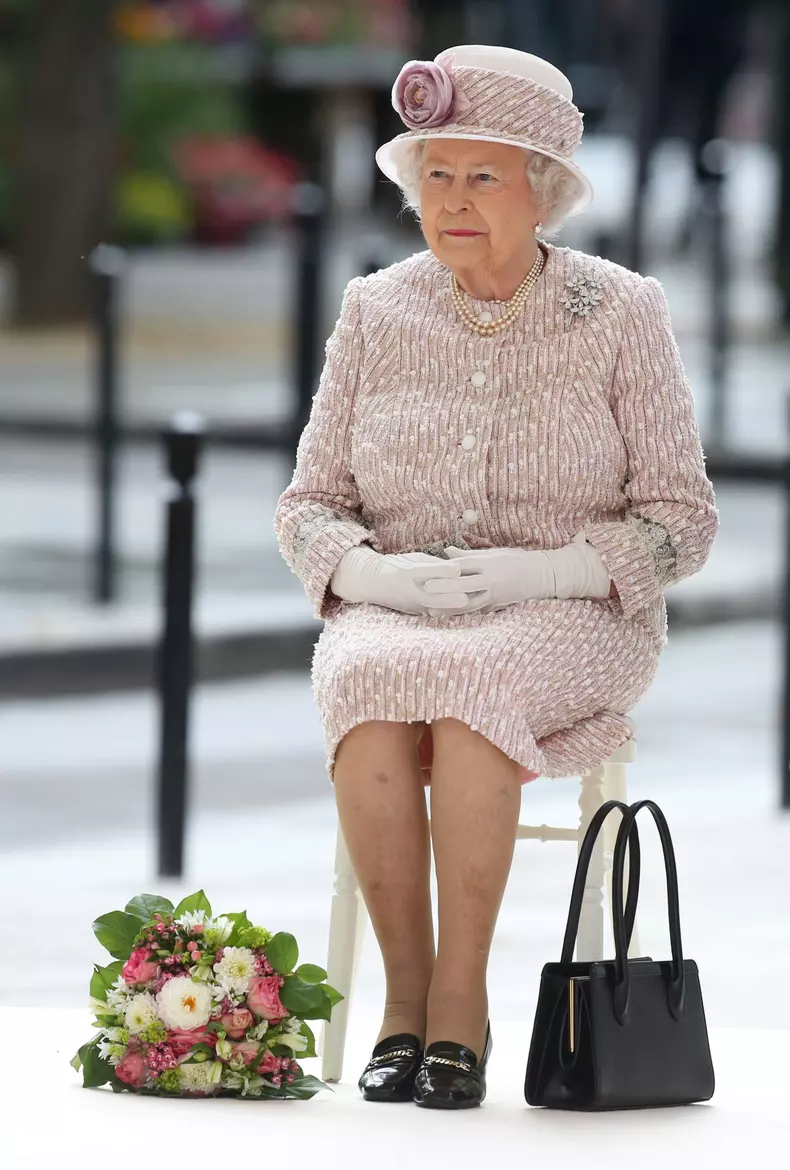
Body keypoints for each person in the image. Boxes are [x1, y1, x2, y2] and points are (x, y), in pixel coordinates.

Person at [273, 44, 718, 1110]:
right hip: (401, 606)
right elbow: (308, 505)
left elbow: (682, 521)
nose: (453, 200)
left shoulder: (619, 311)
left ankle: (461, 1010)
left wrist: (555, 564)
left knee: (474, 697)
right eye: (436, 174)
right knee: (365, 684)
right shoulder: (378, 309)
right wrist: (378, 581)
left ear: (545, 192)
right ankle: (402, 1005)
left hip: (571, 611)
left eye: (484, 175)